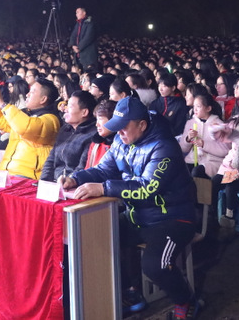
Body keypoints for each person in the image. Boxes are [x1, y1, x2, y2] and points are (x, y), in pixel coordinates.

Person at [61, 96, 200, 319]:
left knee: (155, 265)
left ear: (142, 125)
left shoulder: (164, 147)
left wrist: (104, 188)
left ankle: (186, 300)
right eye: (117, 128)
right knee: (92, 239)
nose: (120, 133)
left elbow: (147, 188)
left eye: (124, 127)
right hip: (136, 216)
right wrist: (75, 178)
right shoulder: (121, 140)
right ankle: (131, 291)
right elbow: (104, 170)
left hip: (172, 219)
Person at [0, 78, 61, 180]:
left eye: (32, 92)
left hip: (28, 177)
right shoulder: (25, 114)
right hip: (7, 173)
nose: (27, 94)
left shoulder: (51, 120)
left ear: (43, 99)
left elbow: (26, 128)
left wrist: (3, 104)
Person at [40, 90, 98, 181]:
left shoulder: (92, 136)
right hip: (53, 183)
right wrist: (44, 181)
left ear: (84, 112)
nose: (65, 109)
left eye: (70, 106)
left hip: (71, 184)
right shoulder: (65, 129)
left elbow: (82, 168)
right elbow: (51, 159)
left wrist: (68, 182)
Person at [179, 90, 231, 178]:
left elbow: (225, 151)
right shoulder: (190, 122)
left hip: (213, 162)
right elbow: (183, 149)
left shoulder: (218, 125)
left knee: (197, 172)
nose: (195, 109)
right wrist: (188, 139)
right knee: (180, 170)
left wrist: (204, 144)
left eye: (198, 106)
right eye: (194, 106)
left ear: (208, 108)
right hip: (193, 159)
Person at [79, 98, 117, 169]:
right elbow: (87, 169)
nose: (97, 124)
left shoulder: (121, 147)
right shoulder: (95, 145)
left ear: (112, 120)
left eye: (100, 119)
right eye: (97, 119)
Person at [69, 7, 98, 73]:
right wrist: (73, 45)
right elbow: (73, 35)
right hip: (78, 55)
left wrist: (78, 47)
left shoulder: (90, 23)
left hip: (88, 55)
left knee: (89, 73)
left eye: (78, 12)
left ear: (84, 13)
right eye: (76, 13)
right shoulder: (78, 24)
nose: (76, 14)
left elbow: (88, 37)